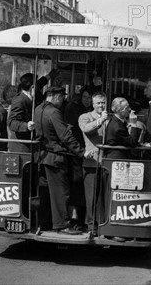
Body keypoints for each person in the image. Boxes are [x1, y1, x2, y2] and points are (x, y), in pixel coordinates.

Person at [34, 86, 85, 235]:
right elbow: (65, 137)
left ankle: (44, 222)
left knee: (44, 192)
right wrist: (81, 152)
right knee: (61, 193)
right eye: (62, 97)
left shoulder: (38, 109)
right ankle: (63, 225)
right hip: (55, 157)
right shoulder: (55, 112)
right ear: (55, 96)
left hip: (41, 157)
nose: (63, 100)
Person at [63, 85, 94, 231]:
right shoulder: (73, 108)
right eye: (85, 97)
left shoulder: (95, 112)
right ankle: (74, 218)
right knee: (75, 185)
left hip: (89, 153)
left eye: (90, 98)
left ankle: (86, 218)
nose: (87, 101)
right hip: (76, 153)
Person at [78, 91, 109, 232]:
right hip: (92, 163)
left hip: (107, 164)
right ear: (92, 103)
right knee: (90, 196)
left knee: (104, 196)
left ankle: (103, 224)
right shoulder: (85, 117)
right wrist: (100, 120)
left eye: (103, 103)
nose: (101, 106)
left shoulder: (110, 118)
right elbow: (87, 129)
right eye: (98, 103)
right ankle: (91, 225)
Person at [7, 71, 56, 153]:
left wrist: (48, 77)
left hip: (30, 143)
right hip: (22, 146)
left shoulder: (31, 96)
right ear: (32, 87)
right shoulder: (19, 100)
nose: (38, 87)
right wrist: (26, 126)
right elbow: (12, 122)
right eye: (36, 85)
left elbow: (40, 83)